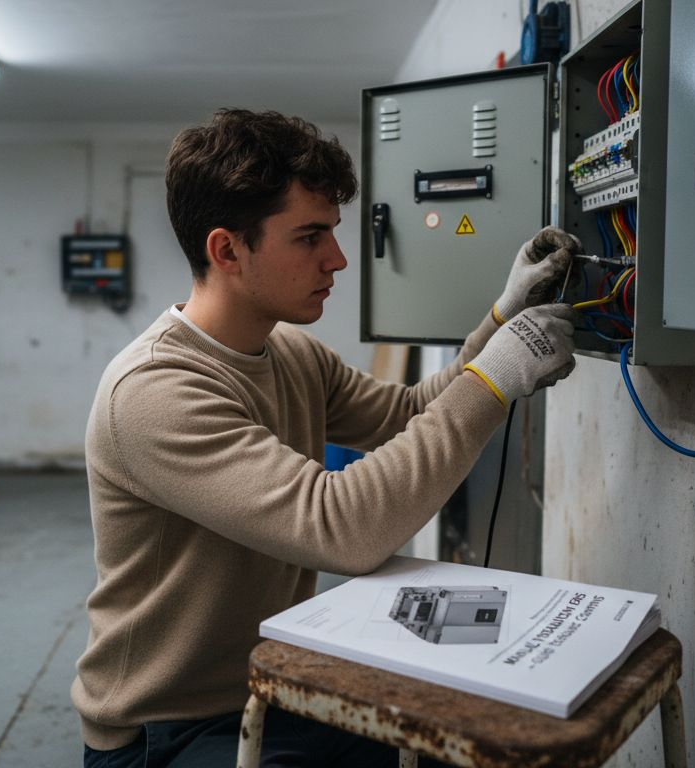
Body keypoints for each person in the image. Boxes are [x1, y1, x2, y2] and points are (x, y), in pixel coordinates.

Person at [73, 108, 580, 767]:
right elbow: (342, 529)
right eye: (310, 237)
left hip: (271, 685)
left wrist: (499, 321)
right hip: (164, 731)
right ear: (227, 250)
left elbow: (410, 413)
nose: (338, 259)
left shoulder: (290, 353)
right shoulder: (155, 392)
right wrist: (495, 379)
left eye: (333, 233)